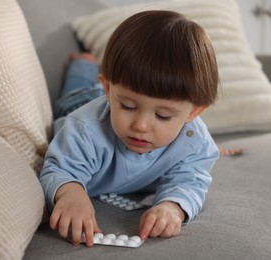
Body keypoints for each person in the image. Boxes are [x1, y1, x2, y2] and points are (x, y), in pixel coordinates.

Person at [39, 10, 220, 247]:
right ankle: (82, 66)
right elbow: (60, 169)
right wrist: (71, 195)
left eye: (163, 115)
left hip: (107, 100)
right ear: (109, 89)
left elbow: (190, 182)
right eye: (128, 106)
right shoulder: (83, 128)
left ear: (193, 112)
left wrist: (172, 208)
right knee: (76, 93)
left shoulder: (194, 142)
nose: (141, 126)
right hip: (81, 105)